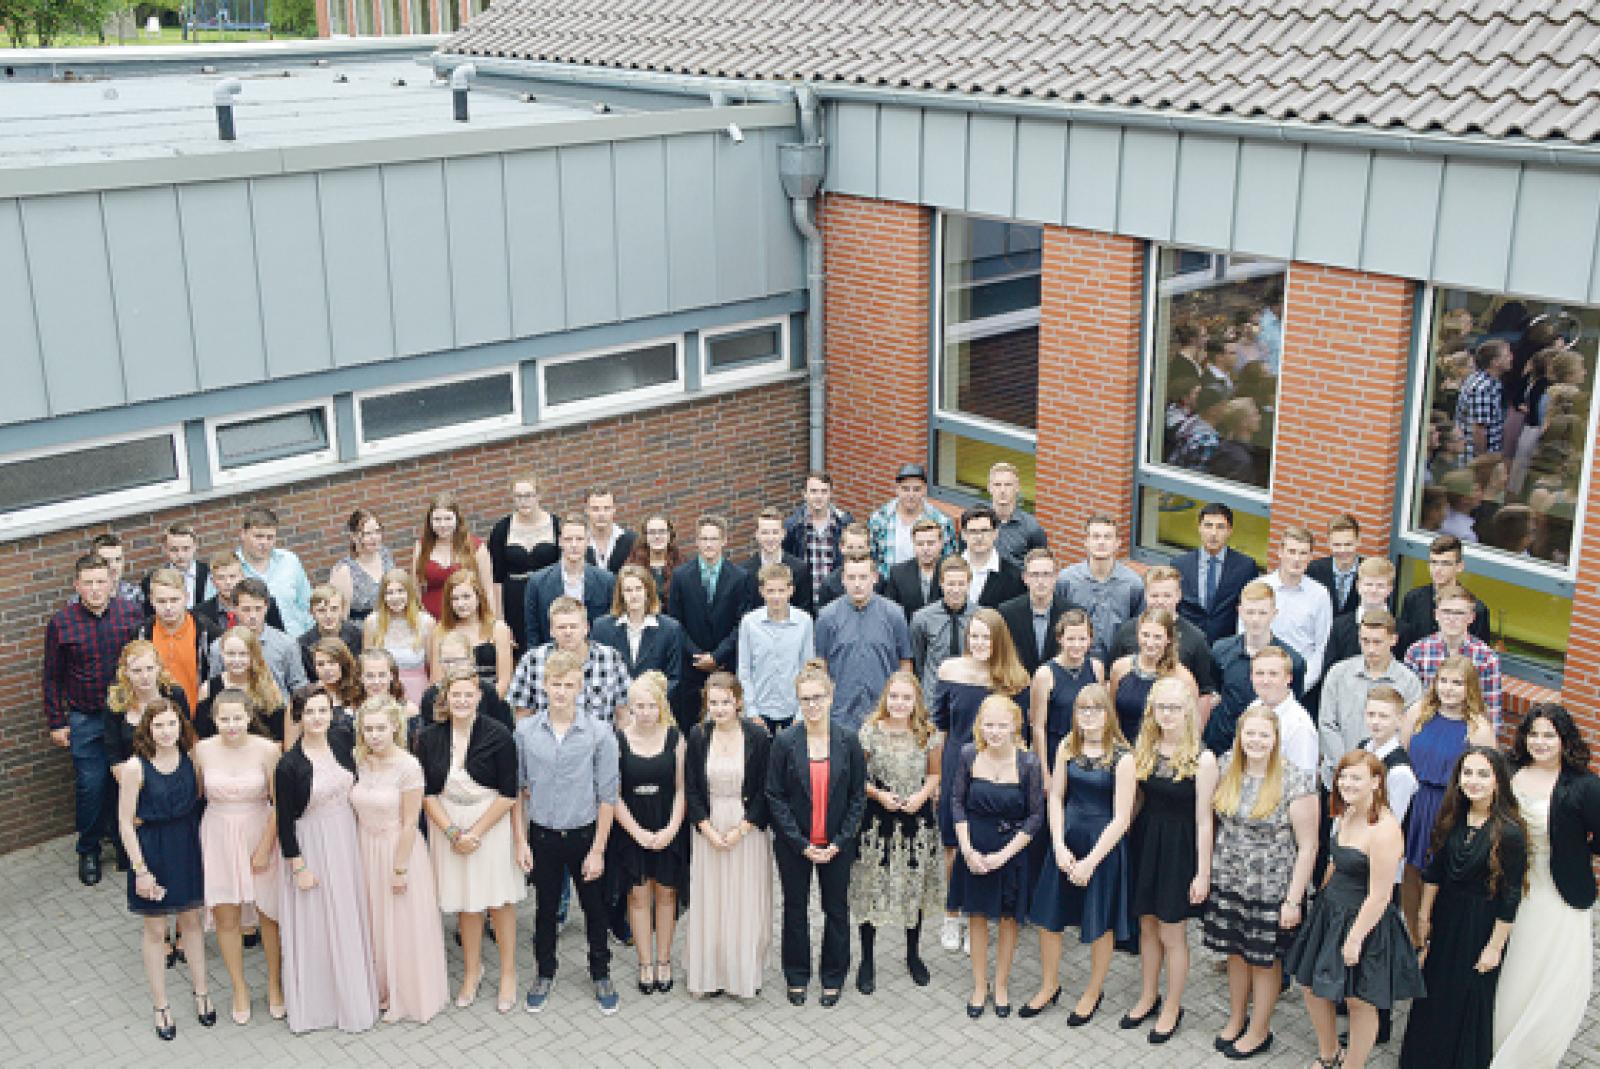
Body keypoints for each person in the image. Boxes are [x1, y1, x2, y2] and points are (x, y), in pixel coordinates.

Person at [1288, 751, 1424, 1069]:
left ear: (1376, 782)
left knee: (1358, 1000)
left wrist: (1354, 939)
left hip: (1364, 920)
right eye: (1343, 776)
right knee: (1310, 985)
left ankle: (1354, 1064)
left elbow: (1380, 895)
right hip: (1331, 911)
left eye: (1356, 778)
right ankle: (1329, 1053)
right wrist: (1319, 899)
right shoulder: (1347, 811)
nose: (1346, 783)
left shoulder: (1385, 829)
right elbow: (1335, 861)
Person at [1200, 706, 1319, 1059]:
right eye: (1249, 733)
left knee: (1263, 961)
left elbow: (1309, 846)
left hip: (1271, 887)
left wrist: (1293, 900)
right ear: (1239, 736)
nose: (1255, 741)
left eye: (1263, 735)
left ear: (1276, 738)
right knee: (1235, 954)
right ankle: (1237, 1017)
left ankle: (1259, 1030)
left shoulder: (1294, 780)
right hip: (1230, 879)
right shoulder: (1226, 767)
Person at [1399, 747, 1528, 1069]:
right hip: (1446, 918)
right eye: (1467, 773)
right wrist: (1423, 918)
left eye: (1483, 774)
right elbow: (1434, 873)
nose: (1473, 781)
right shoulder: (1453, 817)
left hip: (1480, 925)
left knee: (1468, 998)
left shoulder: (1509, 832)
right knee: (1435, 992)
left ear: (1498, 781)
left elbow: (1511, 895)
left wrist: (1494, 948)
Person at [1490, 705, 1600, 1069]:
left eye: (1549, 735)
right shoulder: (1510, 770)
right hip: (1508, 884)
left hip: (1556, 891)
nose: (1540, 742)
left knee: (1546, 970)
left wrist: (1574, 851)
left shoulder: (1584, 785)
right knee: (1511, 967)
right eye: (1534, 734)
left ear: (1564, 740)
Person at [514, 650, 622, 1016]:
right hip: (543, 835)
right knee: (545, 909)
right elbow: (517, 791)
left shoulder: (599, 733)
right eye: (555, 684)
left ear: (580, 687)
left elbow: (608, 796)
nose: (561, 692)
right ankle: (544, 972)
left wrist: (599, 850)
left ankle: (601, 973)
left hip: (584, 835)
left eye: (569, 685)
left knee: (595, 909)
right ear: (545, 686)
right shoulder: (526, 732)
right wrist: (520, 841)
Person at [416, 664, 525, 1012]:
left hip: (489, 823)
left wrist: (475, 833)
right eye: (456, 694)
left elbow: (509, 793)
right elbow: (426, 792)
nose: (462, 700)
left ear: (479, 696)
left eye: (468, 694)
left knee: (499, 899)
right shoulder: (429, 737)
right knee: (467, 901)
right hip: (448, 824)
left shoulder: (499, 734)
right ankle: (472, 971)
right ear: (445, 697)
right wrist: (452, 832)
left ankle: (508, 973)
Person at [1025, 682, 1134, 1025]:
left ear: (1108, 714)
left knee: (1100, 923)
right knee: (1049, 918)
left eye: (1096, 709)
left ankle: (1093, 990)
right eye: (1082, 709)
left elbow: (1122, 818)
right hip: (1067, 839)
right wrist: (1058, 844)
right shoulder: (1067, 746)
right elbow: (1057, 797)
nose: (1089, 715)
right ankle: (1049, 985)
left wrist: (1090, 862)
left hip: (1102, 847)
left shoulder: (1123, 757)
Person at [274, 687, 380, 1034]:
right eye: (310, 712)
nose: (317, 718)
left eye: (323, 710)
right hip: (313, 843)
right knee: (317, 923)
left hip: (346, 838)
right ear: (299, 717)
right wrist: (298, 867)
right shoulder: (289, 765)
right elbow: (284, 822)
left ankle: (355, 993)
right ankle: (321, 1005)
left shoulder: (342, 742)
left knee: (348, 914)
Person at [1123, 676, 1219, 1044]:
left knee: (1172, 932)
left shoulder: (1203, 758)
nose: (1167, 714)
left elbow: (1205, 820)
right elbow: (1137, 801)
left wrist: (1203, 873)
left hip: (1179, 850)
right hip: (1146, 843)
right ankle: (1148, 996)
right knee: (1147, 925)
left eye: (1174, 708)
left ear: (1188, 712)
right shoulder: (1145, 747)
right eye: (1161, 707)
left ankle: (1173, 1007)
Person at [767, 661, 867, 1008]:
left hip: (837, 844)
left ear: (831, 697)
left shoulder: (848, 740)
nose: (812, 705)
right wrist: (800, 843)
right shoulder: (785, 742)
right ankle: (796, 975)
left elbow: (857, 796)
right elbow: (774, 796)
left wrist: (840, 841)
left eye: (818, 698)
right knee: (795, 909)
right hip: (795, 845)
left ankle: (833, 976)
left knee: (835, 909)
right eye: (805, 699)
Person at [931, 607, 1030, 950]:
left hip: (996, 774)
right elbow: (940, 727)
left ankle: (978, 918)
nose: (979, 643)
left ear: (999, 639)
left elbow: (1021, 734)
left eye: (986, 637)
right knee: (953, 844)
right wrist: (937, 775)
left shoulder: (1015, 678)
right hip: (955, 766)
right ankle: (952, 916)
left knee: (987, 841)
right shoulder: (950, 670)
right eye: (973, 636)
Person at [45, 553, 146, 884]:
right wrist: (57, 721)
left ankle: (123, 844)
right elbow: (52, 677)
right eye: (87, 583)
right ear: (77, 586)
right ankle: (88, 850)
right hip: (85, 718)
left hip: (123, 715)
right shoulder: (62, 623)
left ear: (111, 582)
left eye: (101, 581)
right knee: (91, 786)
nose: (95, 589)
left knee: (126, 781)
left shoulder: (129, 613)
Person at [116, 699, 212, 1041]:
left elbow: (199, 801)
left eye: (172, 724)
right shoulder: (135, 767)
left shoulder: (192, 758)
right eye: (158, 725)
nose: (166, 731)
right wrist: (141, 871)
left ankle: (202, 993)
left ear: (180, 725)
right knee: (156, 931)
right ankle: (161, 1006)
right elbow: (125, 823)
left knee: (192, 924)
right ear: (148, 729)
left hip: (186, 847)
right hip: (152, 852)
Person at [350, 695, 449, 1024]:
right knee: (374, 922)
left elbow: (410, 822)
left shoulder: (408, 766)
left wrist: (400, 868)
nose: (374, 735)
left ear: (395, 726)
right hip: (365, 848)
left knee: (400, 925)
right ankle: (379, 987)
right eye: (368, 729)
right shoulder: (360, 760)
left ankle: (403, 995)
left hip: (398, 849)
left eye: (380, 728)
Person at [946, 694, 1044, 1019]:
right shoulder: (968, 755)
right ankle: (979, 985)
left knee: (1007, 920)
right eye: (989, 725)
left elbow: (1035, 817)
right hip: (974, 848)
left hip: (1011, 852)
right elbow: (957, 803)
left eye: (1002, 725)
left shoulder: (1029, 764)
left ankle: (1000, 984)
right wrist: (967, 849)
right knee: (976, 916)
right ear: (980, 726)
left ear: (1015, 725)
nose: (995, 732)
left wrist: (1004, 855)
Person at [194, 687, 284, 1024]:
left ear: (249, 717)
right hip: (218, 833)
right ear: (214, 720)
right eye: (224, 719)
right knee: (226, 916)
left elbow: (279, 803)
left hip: (258, 830)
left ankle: (274, 984)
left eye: (237, 718)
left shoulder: (267, 750)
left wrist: (264, 847)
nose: (231, 725)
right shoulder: (202, 750)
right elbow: (195, 793)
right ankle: (239, 988)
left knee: (268, 913)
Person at [848, 672, 942, 992]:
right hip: (878, 820)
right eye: (894, 697)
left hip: (916, 820)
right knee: (871, 885)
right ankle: (867, 959)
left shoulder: (927, 733)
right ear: (885, 699)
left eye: (906, 698)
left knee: (913, 886)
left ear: (916, 701)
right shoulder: (870, 732)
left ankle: (913, 954)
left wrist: (921, 796)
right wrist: (879, 795)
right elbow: (857, 778)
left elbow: (934, 774)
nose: (899, 703)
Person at [684, 672, 773, 999]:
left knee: (743, 900)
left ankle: (741, 974)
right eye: (713, 703)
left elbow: (765, 790)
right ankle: (711, 973)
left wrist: (742, 829)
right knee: (712, 901)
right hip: (709, 829)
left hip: (745, 830)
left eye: (725, 702)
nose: (719, 709)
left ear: (738, 702)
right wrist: (706, 829)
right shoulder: (698, 735)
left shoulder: (757, 737)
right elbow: (692, 788)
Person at [1399, 655, 1498, 936]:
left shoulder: (1478, 728)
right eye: (1443, 681)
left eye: (1457, 683)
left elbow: (1489, 776)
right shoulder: (1418, 713)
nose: (1448, 688)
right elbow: (1401, 756)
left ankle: (1433, 931)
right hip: (1415, 800)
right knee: (1409, 868)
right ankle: (1411, 934)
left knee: (1440, 872)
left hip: (1450, 805)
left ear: (1470, 688)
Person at [610, 673, 689, 995]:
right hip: (632, 829)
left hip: (668, 826)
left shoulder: (676, 739)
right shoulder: (618, 741)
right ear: (630, 708)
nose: (645, 712)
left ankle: (664, 961)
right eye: (639, 706)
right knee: (638, 896)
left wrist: (671, 829)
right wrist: (637, 833)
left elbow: (682, 789)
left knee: (667, 894)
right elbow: (613, 795)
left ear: (661, 706)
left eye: (651, 706)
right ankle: (645, 963)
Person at [1318, 611, 1422, 792]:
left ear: (1393, 640)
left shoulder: (1409, 681)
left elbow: (1408, 731)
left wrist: (1374, 770)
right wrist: (1348, 767)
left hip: (1383, 780)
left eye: (1377, 642)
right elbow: (1327, 724)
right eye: (1365, 641)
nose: (1371, 649)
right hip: (1337, 776)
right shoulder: (1338, 673)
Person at [813, 553, 913, 732]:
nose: (857, 584)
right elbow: (821, 666)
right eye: (851, 577)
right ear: (843, 579)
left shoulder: (894, 615)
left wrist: (902, 705)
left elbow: (905, 663)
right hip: (841, 715)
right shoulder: (827, 617)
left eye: (863, 577)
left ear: (874, 578)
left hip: (884, 714)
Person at [1206, 580, 1306, 755]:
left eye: (1262, 613)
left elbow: (1292, 704)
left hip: (1264, 749)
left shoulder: (1293, 662)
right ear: (1240, 612)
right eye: (1250, 612)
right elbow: (1216, 691)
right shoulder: (1221, 650)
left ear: (1274, 614)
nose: (1255, 620)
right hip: (1222, 744)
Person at [667, 515, 750, 727]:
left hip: (726, 665)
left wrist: (717, 656)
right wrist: (697, 655)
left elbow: (742, 623)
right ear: (696, 541)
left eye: (713, 539)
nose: (708, 544)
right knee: (693, 729)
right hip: (692, 669)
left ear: (724, 541)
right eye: (704, 539)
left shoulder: (740, 577)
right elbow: (675, 622)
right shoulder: (681, 576)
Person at [1107, 564, 1219, 717]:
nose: (1160, 601)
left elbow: (1204, 694)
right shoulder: (1127, 631)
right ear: (1145, 595)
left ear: (1178, 595)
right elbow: (1110, 681)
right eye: (1154, 595)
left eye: (1167, 596)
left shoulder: (1196, 638)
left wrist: (1196, 729)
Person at [508, 597, 632, 724]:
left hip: (599, 736)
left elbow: (623, 713)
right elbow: (522, 715)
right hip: (547, 736)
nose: (568, 632)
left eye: (573, 626)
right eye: (561, 627)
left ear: (586, 628)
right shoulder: (532, 661)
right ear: (551, 631)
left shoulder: (611, 659)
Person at [1403, 583, 1503, 725]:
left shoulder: (1486, 658)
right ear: (1436, 615)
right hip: (1424, 727)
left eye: (1459, 613)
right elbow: (1408, 705)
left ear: (1471, 617)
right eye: (1446, 611)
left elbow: (1492, 711)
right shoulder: (1416, 653)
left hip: (1468, 730)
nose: (1451, 618)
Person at [1056, 513, 1145, 664]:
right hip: (1075, 662)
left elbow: (1138, 627)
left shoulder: (1133, 583)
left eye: (1107, 537)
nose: (1101, 542)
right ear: (1086, 542)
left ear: (1117, 543)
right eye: (1096, 537)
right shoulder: (1067, 580)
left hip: (1117, 664)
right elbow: (1057, 623)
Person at [736, 562, 815, 734]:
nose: (776, 597)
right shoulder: (749, 623)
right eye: (771, 591)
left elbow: (807, 670)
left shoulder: (804, 622)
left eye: (781, 590)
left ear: (790, 590)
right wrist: (752, 712)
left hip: (793, 707)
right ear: (762, 591)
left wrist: (800, 714)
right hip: (760, 707)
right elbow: (744, 670)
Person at [592, 564, 685, 701]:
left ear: (648, 591)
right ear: (621, 594)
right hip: (615, 707)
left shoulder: (670, 629)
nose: (634, 595)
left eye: (638, 589)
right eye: (628, 590)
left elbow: (674, 678)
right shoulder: (602, 628)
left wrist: (649, 702)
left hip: (655, 707)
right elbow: (596, 673)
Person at [486, 478, 559, 649]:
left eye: (528, 495)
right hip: (514, 599)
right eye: (518, 496)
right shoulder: (502, 529)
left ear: (539, 496)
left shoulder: (556, 525)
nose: (523, 501)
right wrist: (500, 620)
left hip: (549, 595)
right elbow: (496, 577)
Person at [1028, 611, 1104, 775]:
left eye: (1082, 639)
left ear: (1090, 639)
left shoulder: (1096, 668)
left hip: (1088, 750)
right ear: (1060, 639)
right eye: (1071, 639)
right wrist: (1044, 772)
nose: (1077, 645)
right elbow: (1038, 727)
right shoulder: (1045, 674)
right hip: (1056, 751)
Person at [525, 514, 617, 649]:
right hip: (552, 656)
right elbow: (533, 632)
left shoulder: (606, 581)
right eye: (568, 539)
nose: (574, 545)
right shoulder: (537, 582)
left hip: (595, 657)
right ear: (560, 541)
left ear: (588, 541)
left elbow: (611, 628)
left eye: (579, 539)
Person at [219, 507, 313, 639]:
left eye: (270, 537)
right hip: (251, 645)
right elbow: (218, 612)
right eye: (258, 536)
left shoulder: (289, 561)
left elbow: (307, 604)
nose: (264, 542)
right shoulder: (228, 568)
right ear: (243, 534)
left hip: (298, 639)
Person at [1175, 502, 1261, 644]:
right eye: (1208, 526)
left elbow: (1251, 608)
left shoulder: (1245, 567)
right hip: (1188, 644)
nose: (1213, 533)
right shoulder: (1180, 564)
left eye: (1220, 527)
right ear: (1199, 528)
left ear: (1230, 531)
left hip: (1226, 645)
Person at [1108, 608, 1197, 744]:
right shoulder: (1120, 668)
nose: (1150, 643)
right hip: (1123, 748)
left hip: (1162, 751)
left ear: (1168, 639)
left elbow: (1191, 726)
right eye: (1145, 635)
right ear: (1137, 635)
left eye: (1157, 637)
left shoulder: (1183, 678)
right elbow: (1111, 714)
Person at [1260, 525, 1334, 688]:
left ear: (1310, 557)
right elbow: (1245, 635)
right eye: (1292, 551)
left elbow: (1321, 647)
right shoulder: (1260, 587)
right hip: (1261, 679)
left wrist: (1302, 685)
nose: (1297, 559)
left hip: (1301, 681)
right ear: (1280, 552)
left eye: (1303, 553)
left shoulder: (1320, 595)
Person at [140, 567, 221, 712]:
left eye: (174, 600)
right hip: (157, 718)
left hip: (198, 715)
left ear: (186, 597)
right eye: (161, 601)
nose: (168, 607)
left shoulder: (206, 631)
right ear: (151, 600)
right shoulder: (142, 634)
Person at [1395, 535, 1492, 652]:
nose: (1438, 569)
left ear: (1459, 566)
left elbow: (1480, 653)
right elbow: (1403, 646)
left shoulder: (1477, 609)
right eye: (1434, 562)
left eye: (1445, 563)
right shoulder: (1413, 599)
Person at [411, 492, 495, 624]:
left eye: (448, 519)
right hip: (433, 621)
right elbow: (415, 590)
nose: (442, 525)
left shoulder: (476, 547)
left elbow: (488, 590)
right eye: (437, 519)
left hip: (468, 620)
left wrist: (491, 621)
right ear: (430, 521)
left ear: (457, 519)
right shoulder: (421, 547)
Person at [193, 627, 287, 741]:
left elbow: (278, 737)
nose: (236, 660)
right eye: (231, 654)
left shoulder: (268, 687)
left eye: (243, 654)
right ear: (222, 653)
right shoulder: (207, 689)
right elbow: (200, 736)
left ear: (253, 655)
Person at [430, 571, 514, 697]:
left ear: (478, 597)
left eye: (466, 597)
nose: (460, 604)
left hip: (493, 699)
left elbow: (504, 680)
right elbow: (437, 681)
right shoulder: (441, 632)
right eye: (454, 599)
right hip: (455, 701)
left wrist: (483, 703)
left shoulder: (498, 629)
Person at [867, 463, 958, 579]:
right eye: (905, 489)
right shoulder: (879, 519)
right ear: (897, 489)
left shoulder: (941, 522)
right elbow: (871, 559)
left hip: (927, 585)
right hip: (888, 584)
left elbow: (949, 562)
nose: (911, 495)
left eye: (916, 489)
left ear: (925, 489)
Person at [781, 470, 855, 607]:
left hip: (837, 600)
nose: (819, 497)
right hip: (804, 601)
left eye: (823, 491)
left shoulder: (844, 523)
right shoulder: (792, 526)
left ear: (830, 493)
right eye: (813, 491)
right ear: (804, 494)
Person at [1242, 646, 1319, 776]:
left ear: (1288, 678)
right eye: (1259, 673)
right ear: (1251, 677)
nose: (1265, 681)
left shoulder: (1299, 726)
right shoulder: (1252, 708)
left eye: (1273, 674)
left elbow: (1304, 780)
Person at [363, 568, 434, 707]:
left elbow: (433, 667)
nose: (395, 597)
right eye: (389, 592)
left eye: (401, 591)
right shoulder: (372, 622)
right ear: (383, 596)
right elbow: (366, 666)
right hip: (383, 694)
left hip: (418, 692)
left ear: (409, 593)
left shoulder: (426, 622)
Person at [908, 556, 975, 699]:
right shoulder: (922, 618)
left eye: (961, 584)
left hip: (969, 693)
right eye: (950, 584)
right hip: (933, 697)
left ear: (969, 584)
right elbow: (918, 660)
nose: (956, 590)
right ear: (941, 583)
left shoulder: (980, 617)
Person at [998, 547, 1069, 675]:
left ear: (1056, 577)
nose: (1040, 581)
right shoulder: (1007, 613)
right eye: (1035, 574)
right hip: (1017, 684)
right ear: (1025, 578)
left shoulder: (1070, 612)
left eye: (1046, 574)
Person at [1326, 557, 1403, 667]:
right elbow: (1329, 668)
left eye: (1380, 585)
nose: (1373, 590)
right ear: (1358, 586)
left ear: (1390, 589)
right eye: (1369, 584)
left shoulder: (1401, 629)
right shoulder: (1339, 626)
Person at [739, 506, 814, 617]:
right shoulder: (744, 572)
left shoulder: (800, 569)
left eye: (775, 532)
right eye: (765, 533)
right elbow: (744, 612)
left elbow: (805, 611)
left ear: (783, 534)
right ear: (757, 535)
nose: (770, 538)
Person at [328, 509, 395, 625]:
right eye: (367, 534)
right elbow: (340, 618)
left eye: (377, 531)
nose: (374, 537)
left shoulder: (385, 555)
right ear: (353, 537)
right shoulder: (344, 570)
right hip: (362, 631)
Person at [196, 550, 286, 635]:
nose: (228, 582)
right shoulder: (200, 613)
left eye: (232, 576)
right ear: (213, 581)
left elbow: (279, 638)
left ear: (242, 577)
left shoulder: (265, 604)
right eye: (221, 578)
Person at [1454, 338, 1513, 463]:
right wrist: (1482, 461)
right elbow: (1479, 430)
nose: (1511, 358)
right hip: (1478, 459)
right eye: (1507, 355)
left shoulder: (1489, 381)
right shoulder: (1483, 388)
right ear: (1495, 362)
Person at [881, 518, 946, 623]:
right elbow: (890, 613)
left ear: (941, 543)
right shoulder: (898, 573)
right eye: (920, 544)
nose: (925, 549)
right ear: (913, 544)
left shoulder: (951, 570)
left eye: (930, 543)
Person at [959, 504, 1024, 609]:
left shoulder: (1014, 577)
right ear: (963, 535)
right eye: (973, 531)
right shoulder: (945, 567)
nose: (979, 537)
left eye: (985, 530)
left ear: (995, 533)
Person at [986, 460, 1047, 568]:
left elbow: (1041, 567)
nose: (1002, 490)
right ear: (989, 488)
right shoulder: (976, 522)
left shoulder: (1032, 528)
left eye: (1008, 485)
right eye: (997, 485)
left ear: (1017, 487)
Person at [297, 584, 364, 682]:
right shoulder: (303, 644)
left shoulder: (357, 635)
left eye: (334, 609)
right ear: (312, 613)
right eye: (321, 610)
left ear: (342, 610)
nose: (328, 616)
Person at [1306, 513, 1364, 618]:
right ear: (1328, 543)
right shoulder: (1313, 570)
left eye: (1348, 544)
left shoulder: (1369, 572)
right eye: (1337, 545)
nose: (1343, 550)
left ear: (1359, 541)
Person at [140, 521, 208, 610]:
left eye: (186, 548)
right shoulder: (150, 581)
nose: (180, 555)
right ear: (165, 549)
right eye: (174, 550)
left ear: (195, 546)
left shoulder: (209, 574)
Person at [815, 522, 873, 610]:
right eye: (850, 547)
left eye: (860, 547)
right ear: (841, 547)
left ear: (868, 548)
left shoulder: (879, 582)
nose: (855, 552)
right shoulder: (829, 584)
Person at [625, 513, 683, 601]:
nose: (657, 536)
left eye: (662, 531)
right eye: (652, 532)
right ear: (645, 536)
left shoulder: (681, 563)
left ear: (670, 535)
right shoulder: (632, 564)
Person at [583, 487, 638, 574]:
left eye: (606, 508)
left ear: (614, 509)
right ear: (586, 510)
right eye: (595, 509)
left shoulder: (632, 541)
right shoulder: (578, 542)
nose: (601, 514)